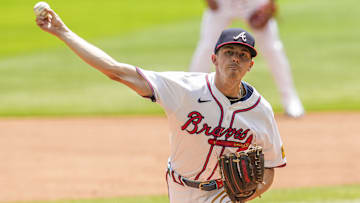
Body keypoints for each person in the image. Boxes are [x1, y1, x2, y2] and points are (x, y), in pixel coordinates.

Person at [35, 7, 286, 203]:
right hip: (179, 187)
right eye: (229, 52)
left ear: (250, 65)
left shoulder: (260, 110)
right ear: (214, 58)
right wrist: (62, 31)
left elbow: (270, 165)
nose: (235, 59)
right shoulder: (184, 88)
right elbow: (115, 71)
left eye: (243, 55)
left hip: (224, 194)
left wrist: (249, 193)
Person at [190, 0, 304, 118]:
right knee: (207, 47)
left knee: (272, 48)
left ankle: (290, 99)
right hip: (223, 3)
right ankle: (192, 96)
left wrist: (270, 4)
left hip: (254, 3)